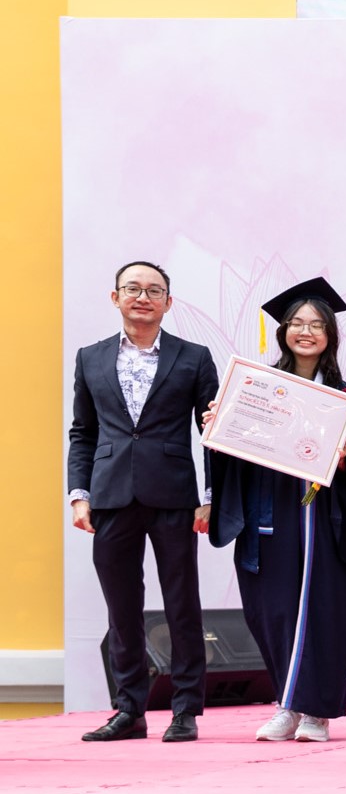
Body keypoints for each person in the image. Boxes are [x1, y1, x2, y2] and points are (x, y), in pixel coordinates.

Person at [207, 278, 346, 743]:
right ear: (282, 331)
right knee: (274, 607)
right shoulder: (259, 388)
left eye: (317, 325)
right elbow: (236, 454)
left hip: (327, 517)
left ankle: (316, 712)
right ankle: (287, 703)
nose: (306, 331)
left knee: (329, 609)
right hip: (273, 510)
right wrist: (223, 427)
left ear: (330, 336)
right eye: (297, 323)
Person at [68, 261, 220, 743]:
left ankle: (185, 709)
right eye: (132, 288)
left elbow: (212, 432)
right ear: (115, 298)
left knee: (181, 603)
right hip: (111, 494)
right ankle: (129, 709)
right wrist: (79, 494)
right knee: (121, 606)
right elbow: (83, 432)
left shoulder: (193, 357)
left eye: (154, 290)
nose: (143, 296)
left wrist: (210, 496)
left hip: (174, 492)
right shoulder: (90, 358)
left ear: (168, 303)